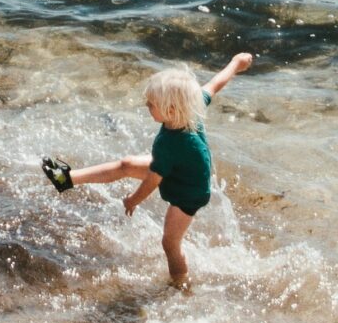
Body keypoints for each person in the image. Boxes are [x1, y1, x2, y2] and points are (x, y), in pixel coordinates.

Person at [41, 50, 254, 287]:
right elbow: (215, 84)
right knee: (127, 164)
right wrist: (236, 63)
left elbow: (153, 180)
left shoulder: (171, 143)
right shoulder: (191, 108)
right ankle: (65, 179)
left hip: (189, 193)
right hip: (181, 168)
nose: (147, 105)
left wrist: (133, 200)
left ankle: (180, 284)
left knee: (170, 243)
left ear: (171, 110)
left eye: (152, 104)